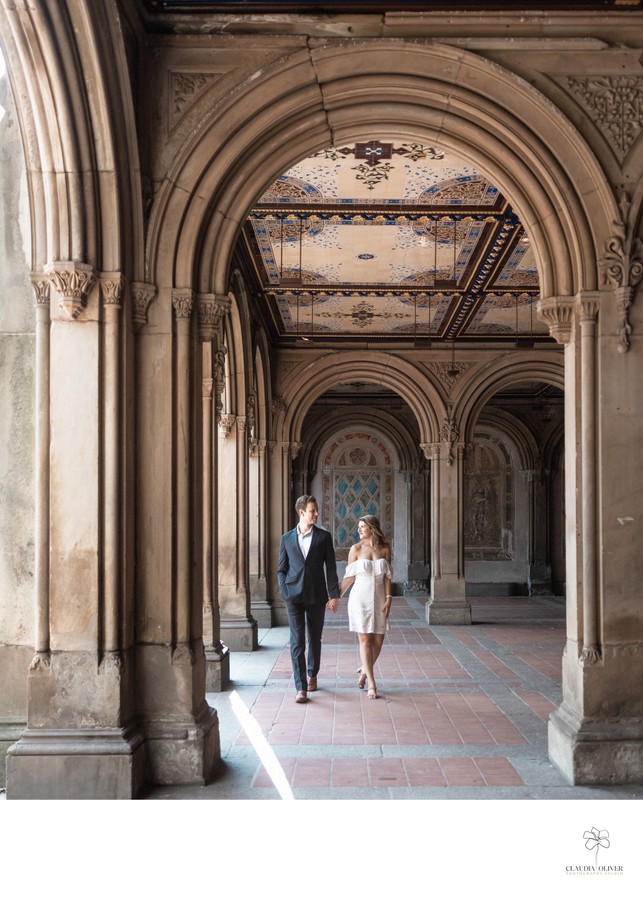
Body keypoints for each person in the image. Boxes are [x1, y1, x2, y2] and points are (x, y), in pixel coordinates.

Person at [277, 495, 340, 703]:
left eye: (317, 510)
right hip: (293, 596)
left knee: (314, 638)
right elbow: (281, 569)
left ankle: (312, 673)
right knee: (297, 641)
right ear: (301, 512)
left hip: (316, 595)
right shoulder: (286, 538)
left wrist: (334, 596)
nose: (316, 514)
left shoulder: (323, 537)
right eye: (312, 510)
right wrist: (284, 591)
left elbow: (330, 568)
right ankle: (300, 687)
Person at [340, 515, 392, 700]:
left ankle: (364, 670)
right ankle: (372, 683)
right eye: (359, 527)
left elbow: (388, 576)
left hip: (379, 599)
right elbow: (349, 577)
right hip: (359, 599)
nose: (359, 530)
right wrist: (336, 596)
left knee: (378, 641)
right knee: (365, 641)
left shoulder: (385, 549)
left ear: (372, 528)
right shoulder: (355, 549)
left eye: (362, 527)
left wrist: (389, 598)